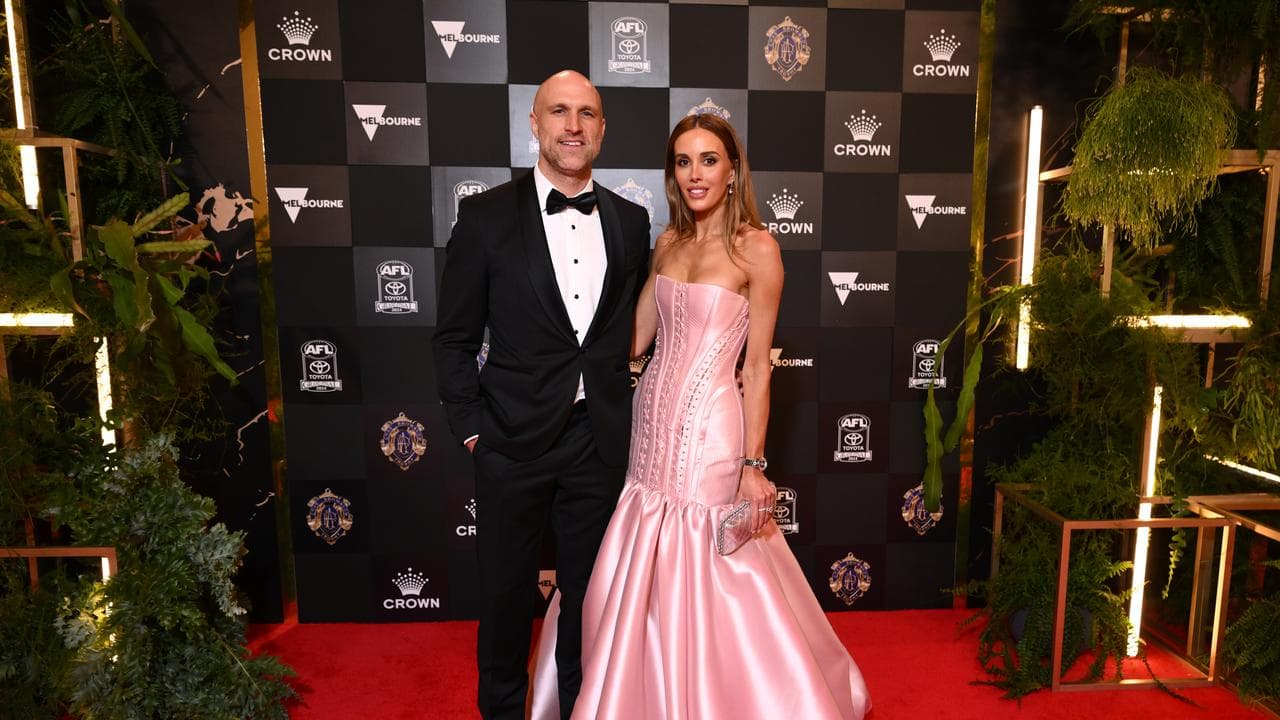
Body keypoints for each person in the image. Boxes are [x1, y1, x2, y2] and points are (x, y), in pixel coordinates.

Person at [530, 114, 871, 719]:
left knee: (710, 566)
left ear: (733, 170)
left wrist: (752, 465)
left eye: (708, 160)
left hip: (713, 428)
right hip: (650, 423)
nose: (695, 174)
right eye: (683, 162)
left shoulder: (758, 249)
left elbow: (759, 367)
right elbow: (635, 341)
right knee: (642, 566)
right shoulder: (668, 244)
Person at [432, 70, 651, 720]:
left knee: (591, 603)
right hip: (511, 443)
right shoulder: (485, 217)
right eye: (560, 111)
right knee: (504, 603)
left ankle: (581, 711)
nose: (573, 126)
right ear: (535, 124)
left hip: (598, 443)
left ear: (603, 129)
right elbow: (452, 338)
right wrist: (473, 428)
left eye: (587, 113)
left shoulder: (632, 221)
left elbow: (629, 336)